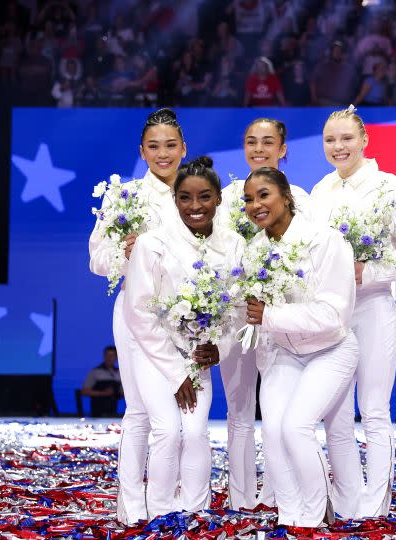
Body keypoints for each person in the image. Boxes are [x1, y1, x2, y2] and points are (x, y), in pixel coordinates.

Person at [309, 107, 396, 518]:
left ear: (364, 140)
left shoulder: (391, 188)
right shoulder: (320, 191)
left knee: (375, 409)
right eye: (330, 140)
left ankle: (375, 506)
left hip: (374, 307)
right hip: (332, 314)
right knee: (338, 415)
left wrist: (371, 270)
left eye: (346, 138)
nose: (338, 147)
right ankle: (347, 501)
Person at [123, 156, 243, 519]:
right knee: (166, 430)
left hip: (198, 356)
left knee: (194, 433)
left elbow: (238, 306)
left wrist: (220, 347)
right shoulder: (151, 243)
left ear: (219, 199)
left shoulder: (234, 244)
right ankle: (159, 514)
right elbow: (139, 313)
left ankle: (195, 513)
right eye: (185, 198)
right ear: (174, 199)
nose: (195, 207)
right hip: (153, 352)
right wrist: (176, 374)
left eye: (204, 197)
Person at [240, 166, 358, 528]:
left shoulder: (324, 240)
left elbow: (333, 316)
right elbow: (253, 315)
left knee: (295, 427)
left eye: (264, 195)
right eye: (248, 199)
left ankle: (316, 512)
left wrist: (270, 315)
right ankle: (292, 518)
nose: (255, 204)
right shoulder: (254, 250)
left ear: (286, 196)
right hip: (283, 352)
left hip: (331, 349)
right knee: (273, 432)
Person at [88, 108, 187, 525]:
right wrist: (122, 254)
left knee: (181, 417)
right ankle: (131, 507)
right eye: (153, 146)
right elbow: (96, 259)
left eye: (170, 145)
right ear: (141, 151)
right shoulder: (123, 197)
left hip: (188, 317)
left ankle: (172, 498)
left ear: (183, 148)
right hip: (135, 312)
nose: (162, 154)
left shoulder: (198, 192)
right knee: (140, 412)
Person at [215, 117, 309, 511]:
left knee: (278, 412)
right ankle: (241, 497)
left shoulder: (300, 197)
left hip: (280, 321)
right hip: (235, 319)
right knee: (238, 410)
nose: (259, 148)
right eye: (251, 141)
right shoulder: (227, 197)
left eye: (268, 142)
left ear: (283, 148)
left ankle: (277, 494)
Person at [81, 345, 122, 417]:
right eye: (107, 355)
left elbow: (122, 392)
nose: (109, 358)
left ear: (116, 357)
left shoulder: (119, 373)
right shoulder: (96, 372)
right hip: (98, 412)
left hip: (114, 412)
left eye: (112, 356)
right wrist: (103, 393)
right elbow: (84, 391)